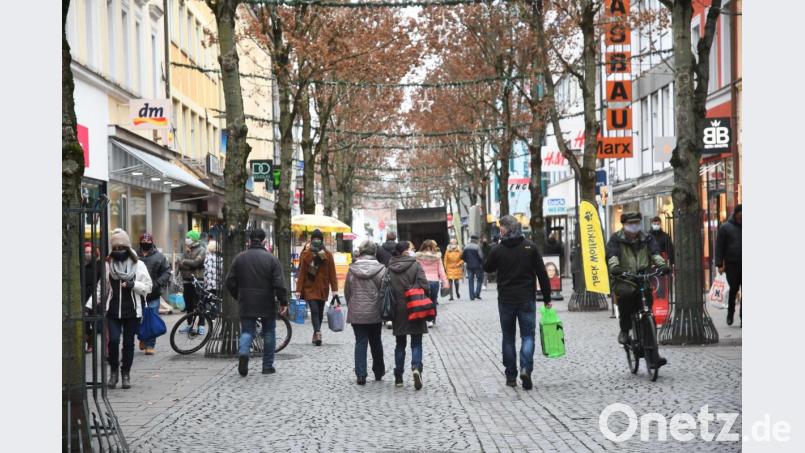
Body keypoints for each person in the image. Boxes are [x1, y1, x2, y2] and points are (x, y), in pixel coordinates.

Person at [483, 215, 551, 390]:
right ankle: (525, 368)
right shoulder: (530, 247)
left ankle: (511, 375)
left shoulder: (498, 249)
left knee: (508, 337)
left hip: (506, 300)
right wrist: (547, 298)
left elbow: (487, 268)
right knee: (528, 336)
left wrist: (493, 247)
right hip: (526, 299)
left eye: (501, 228)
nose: (500, 230)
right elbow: (542, 273)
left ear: (507, 229)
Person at [606, 212, 670, 367]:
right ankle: (624, 330)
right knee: (626, 304)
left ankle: (653, 356)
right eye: (631, 223)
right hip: (625, 278)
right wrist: (615, 268)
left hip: (642, 278)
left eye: (637, 223)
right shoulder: (616, 239)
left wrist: (662, 265)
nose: (634, 226)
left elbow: (655, 253)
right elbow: (612, 255)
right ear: (624, 224)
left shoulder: (647, 238)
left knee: (649, 315)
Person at [226, 229, 289, 377]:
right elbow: (279, 283)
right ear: (264, 241)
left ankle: (244, 352)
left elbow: (229, 281)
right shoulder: (271, 259)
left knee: (247, 331)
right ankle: (267, 366)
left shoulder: (239, 258)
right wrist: (283, 301)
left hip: (246, 300)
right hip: (266, 300)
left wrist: (238, 295)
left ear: (249, 240)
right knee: (269, 332)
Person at [104, 229, 152, 389]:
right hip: (113, 310)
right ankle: (113, 372)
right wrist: (90, 305)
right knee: (114, 341)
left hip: (132, 311)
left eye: (121, 247)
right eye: (115, 248)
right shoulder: (108, 264)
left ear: (127, 247)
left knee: (129, 343)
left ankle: (126, 374)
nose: (118, 251)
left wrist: (133, 285)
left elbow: (148, 287)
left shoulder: (139, 265)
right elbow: (101, 287)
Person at [388, 241, 430, 390]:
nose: (413, 250)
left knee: (400, 344)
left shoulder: (390, 267)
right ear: (406, 251)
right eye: (411, 249)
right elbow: (425, 286)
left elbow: (385, 289)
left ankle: (399, 376)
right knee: (416, 342)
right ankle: (416, 367)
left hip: (398, 310)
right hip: (415, 307)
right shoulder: (416, 265)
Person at [344, 240, 386, 385]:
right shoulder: (381, 269)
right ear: (374, 252)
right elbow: (384, 291)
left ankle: (361, 374)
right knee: (376, 341)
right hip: (375, 312)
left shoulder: (352, 269)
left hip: (357, 312)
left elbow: (347, 291)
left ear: (361, 252)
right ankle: (379, 371)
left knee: (360, 342)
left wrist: (352, 304)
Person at [296, 229, 338, 346]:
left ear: (322, 240)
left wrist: (334, 290)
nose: (317, 240)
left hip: (323, 288)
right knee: (314, 310)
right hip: (309, 287)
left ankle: (316, 333)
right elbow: (302, 273)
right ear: (311, 239)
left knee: (319, 312)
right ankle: (318, 332)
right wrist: (299, 289)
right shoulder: (306, 254)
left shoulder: (328, 255)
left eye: (319, 239)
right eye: (315, 238)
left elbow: (332, 273)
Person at [137, 233, 171, 355]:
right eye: (143, 242)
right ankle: (142, 337)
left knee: (151, 319)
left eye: (148, 242)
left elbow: (167, 271)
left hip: (153, 294)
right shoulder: (134, 256)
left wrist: (157, 283)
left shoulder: (160, 257)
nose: (145, 244)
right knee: (137, 319)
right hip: (136, 294)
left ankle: (150, 345)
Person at [715, 204, 742, 325]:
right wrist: (719, 264)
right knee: (733, 289)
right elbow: (719, 247)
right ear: (736, 213)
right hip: (731, 264)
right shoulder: (725, 228)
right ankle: (730, 313)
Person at [178, 230, 207, 334]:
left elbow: (196, 263)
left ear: (194, 239)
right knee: (189, 305)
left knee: (199, 304)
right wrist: (187, 264)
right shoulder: (186, 250)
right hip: (186, 281)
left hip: (197, 281)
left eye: (188, 237)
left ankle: (201, 326)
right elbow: (179, 264)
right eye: (186, 237)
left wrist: (184, 262)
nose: (187, 239)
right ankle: (189, 325)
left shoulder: (202, 250)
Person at [416, 240, 449, 328]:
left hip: (422, 281)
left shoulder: (418, 257)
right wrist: (445, 283)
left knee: (423, 300)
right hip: (434, 281)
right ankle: (431, 319)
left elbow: (416, 270)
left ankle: (424, 318)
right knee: (433, 300)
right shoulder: (437, 257)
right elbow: (441, 271)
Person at [83, 242, 103, 353]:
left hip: (94, 296)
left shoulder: (98, 265)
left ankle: (91, 344)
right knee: (85, 322)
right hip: (82, 295)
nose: (88, 254)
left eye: (90, 252)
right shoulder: (81, 266)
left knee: (92, 321)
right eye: (86, 252)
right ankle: (86, 342)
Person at [461, 235, 485, 300]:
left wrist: (467, 261)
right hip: (477, 266)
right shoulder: (477, 247)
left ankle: (471, 296)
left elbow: (462, 257)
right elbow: (481, 257)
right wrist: (481, 263)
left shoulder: (466, 247)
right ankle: (477, 294)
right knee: (479, 279)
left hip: (469, 266)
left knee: (470, 281)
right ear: (476, 240)